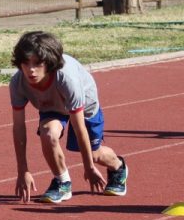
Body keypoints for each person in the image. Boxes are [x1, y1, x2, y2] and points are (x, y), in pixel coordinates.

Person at [9, 30, 128, 204]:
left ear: (49, 63)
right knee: (48, 133)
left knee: (93, 155)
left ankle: (118, 166)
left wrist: (89, 167)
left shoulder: (67, 79)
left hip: (84, 106)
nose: (31, 70)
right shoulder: (18, 83)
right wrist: (23, 170)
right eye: (26, 64)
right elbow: (18, 127)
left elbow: (79, 127)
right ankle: (62, 182)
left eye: (37, 64)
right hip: (51, 105)